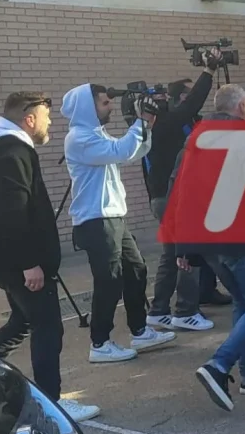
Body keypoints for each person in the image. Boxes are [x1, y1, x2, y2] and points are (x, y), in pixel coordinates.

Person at [0, 92, 100, 422]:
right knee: (48, 327)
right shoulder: (11, 152)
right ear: (29, 119)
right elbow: (12, 212)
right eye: (46, 117)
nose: (50, 124)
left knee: (23, 318)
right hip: (20, 262)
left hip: (0, 258)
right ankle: (51, 405)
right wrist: (29, 262)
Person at [172, 84, 245, 411]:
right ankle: (219, 365)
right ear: (242, 107)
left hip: (212, 242)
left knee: (243, 302)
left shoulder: (196, 140)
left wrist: (183, 247)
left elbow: (183, 193)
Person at [61, 83, 175, 362]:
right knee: (109, 281)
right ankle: (100, 343)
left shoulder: (95, 134)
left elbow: (132, 152)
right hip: (96, 220)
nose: (110, 106)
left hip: (112, 216)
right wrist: (139, 122)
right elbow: (121, 150)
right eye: (104, 103)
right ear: (87, 108)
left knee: (136, 270)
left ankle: (140, 330)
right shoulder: (79, 138)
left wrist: (146, 126)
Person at [144, 55, 220, 332]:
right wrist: (209, 70)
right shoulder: (166, 123)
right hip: (173, 197)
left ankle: (159, 310)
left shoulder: (155, 126)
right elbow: (192, 103)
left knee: (170, 255)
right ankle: (186, 311)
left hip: (161, 197)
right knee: (189, 252)